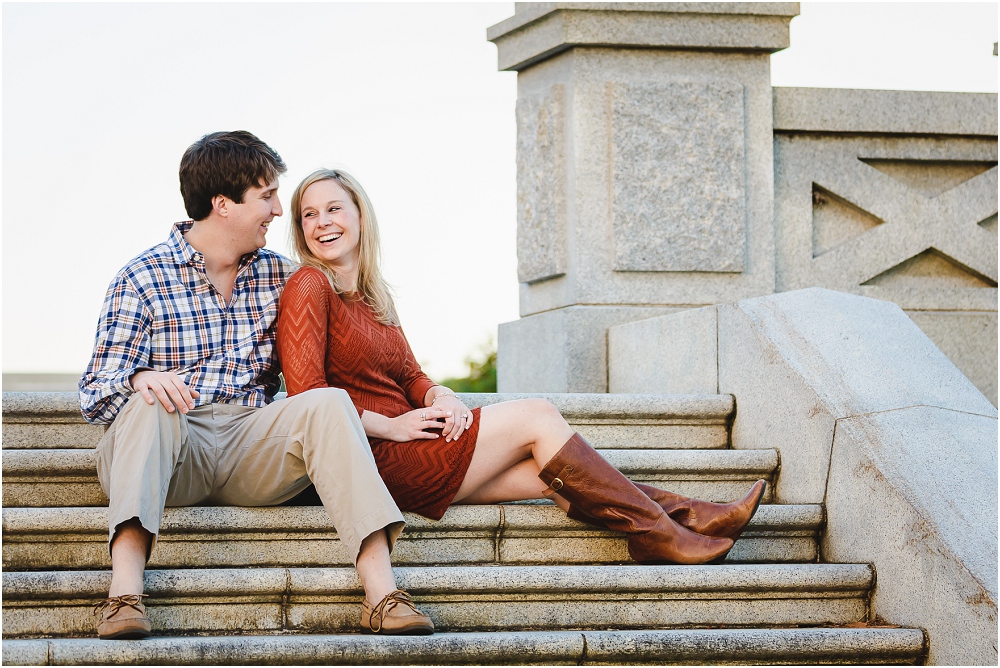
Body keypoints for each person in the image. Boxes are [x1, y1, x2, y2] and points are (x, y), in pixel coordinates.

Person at [275, 168, 766, 566]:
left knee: (547, 473)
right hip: (370, 457)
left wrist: (440, 396)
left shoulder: (374, 295)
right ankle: (663, 531)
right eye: (309, 215)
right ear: (300, 229)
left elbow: (409, 375)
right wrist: (394, 426)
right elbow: (307, 397)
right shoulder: (308, 286)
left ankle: (686, 519)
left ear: (360, 215)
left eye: (333, 208)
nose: (322, 223)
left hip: (413, 443)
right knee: (536, 416)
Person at [80, 133, 433, 640]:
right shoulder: (142, 277)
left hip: (252, 444)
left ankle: (381, 594)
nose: (276, 210)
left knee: (326, 402)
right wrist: (141, 377)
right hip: (170, 451)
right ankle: (124, 596)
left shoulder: (283, 278)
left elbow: (358, 345)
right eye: (266, 195)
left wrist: (421, 393)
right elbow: (95, 391)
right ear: (224, 205)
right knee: (153, 401)